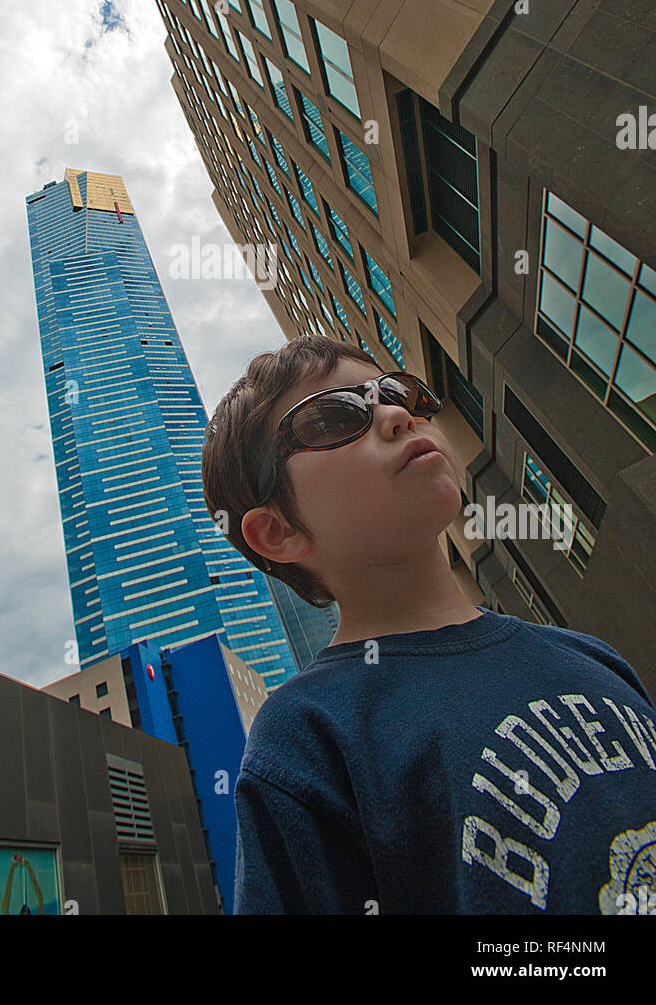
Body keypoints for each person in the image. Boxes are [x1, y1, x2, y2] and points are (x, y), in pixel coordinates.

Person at [201, 334, 656, 915]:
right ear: (279, 532)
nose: (394, 415)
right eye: (333, 417)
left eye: (399, 393)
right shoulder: (305, 738)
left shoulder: (592, 656)